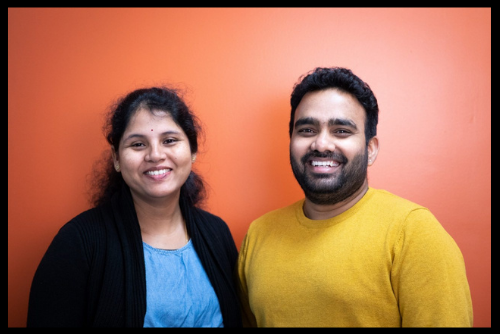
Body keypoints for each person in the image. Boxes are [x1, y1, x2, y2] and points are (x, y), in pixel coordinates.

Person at [236, 67, 473, 327]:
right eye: (306, 130)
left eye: (341, 131)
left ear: (370, 150)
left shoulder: (414, 233)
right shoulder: (259, 234)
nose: (321, 144)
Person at [27, 86, 242, 327]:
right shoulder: (79, 242)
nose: (155, 155)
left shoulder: (217, 233)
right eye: (138, 144)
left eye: (169, 140)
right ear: (117, 158)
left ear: (192, 151)